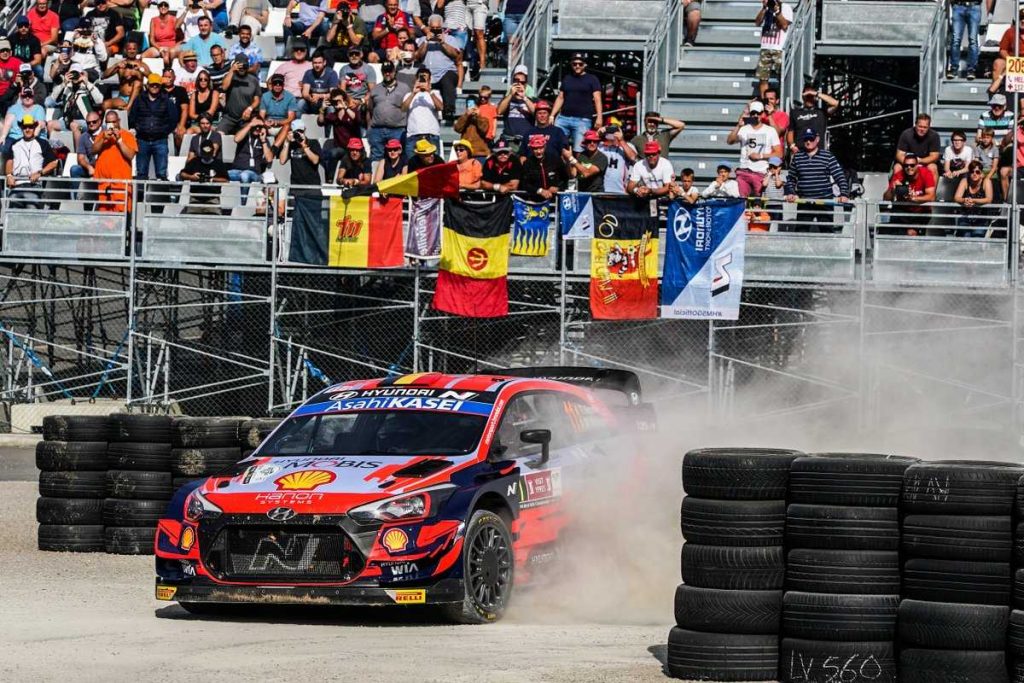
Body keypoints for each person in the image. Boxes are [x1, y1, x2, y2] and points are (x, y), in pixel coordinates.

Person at [783, 128, 849, 232]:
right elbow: (791, 178)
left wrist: (844, 193)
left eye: (811, 139)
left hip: (825, 202)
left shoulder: (827, 156)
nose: (808, 142)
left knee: (826, 232)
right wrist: (790, 192)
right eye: (806, 139)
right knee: (801, 232)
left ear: (817, 139)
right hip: (804, 201)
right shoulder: (797, 157)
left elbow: (839, 176)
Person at [128, 72, 179, 180]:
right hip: (142, 140)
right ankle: (141, 191)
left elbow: (174, 119)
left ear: (160, 86)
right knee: (141, 173)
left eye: (157, 85)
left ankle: (161, 191)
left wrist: (164, 131)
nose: (154, 87)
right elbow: (132, 116)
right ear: (147, 85)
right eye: (152, 84)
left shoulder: (167, 101)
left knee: (161, 173)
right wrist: (137, 129)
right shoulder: (139, 99)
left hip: (160, 141)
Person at [726, 100, 782, 197]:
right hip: (744, 171)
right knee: (742, 201)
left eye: (758, 113)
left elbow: (779, 153)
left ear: (762, 113)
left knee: (758, 202)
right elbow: (730, 141)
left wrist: (760, 156)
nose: (756, 115)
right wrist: (738, 126)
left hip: (761, 172)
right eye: (753, 113)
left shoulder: (770, 130)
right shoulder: (744, 129)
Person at [414, 14, 460, 122]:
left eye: (437, 28)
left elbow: (455, 55)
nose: (435, 30)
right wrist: (426, 41)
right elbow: (418, 56)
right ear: (428, 27)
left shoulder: (450, 39)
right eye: (432, 28)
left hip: (445, 72)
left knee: (448, 79)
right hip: (428, 73)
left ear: (442, 27)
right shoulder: (422, 40)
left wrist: (443, 43)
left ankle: (449, 110)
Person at [5, 114, 57, 208]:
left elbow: (54, 162)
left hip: (34, 185)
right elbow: (9, 161)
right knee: (12, 210)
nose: (27, 129)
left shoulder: (43, 143)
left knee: (32, 209)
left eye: (30, 127)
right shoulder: (15, 144)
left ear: (34, 127)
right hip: (16, 185)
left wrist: (40, 173)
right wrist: (9, 175)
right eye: (25, 127)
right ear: (21, 128)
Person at [552, 53, 602, 151]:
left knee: (579, 149)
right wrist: (552, 115)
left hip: (582, 120)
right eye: (574, 64)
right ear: (571, 64)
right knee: (556, 146)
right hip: (563, 118)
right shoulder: (567, 78)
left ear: (585, 65)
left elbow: (597, 99)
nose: (577, 66)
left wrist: (599, 117)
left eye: (580, 64)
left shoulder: (592, 79)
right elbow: (560, 97)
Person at [92, 108, 137, 212]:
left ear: (119, 121)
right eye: (108, 122)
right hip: (104, 183)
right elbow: (93, 150)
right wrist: (103, 139)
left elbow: (130, 155)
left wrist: (119, 140)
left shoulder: (127, 135)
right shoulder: (102, 135)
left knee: (120, 212)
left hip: (121, 183)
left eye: (113, 122)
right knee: (104, 213)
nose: (111, 125)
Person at [882, 152, 936, 236]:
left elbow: (931, 197)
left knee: (911, 233)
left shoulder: (926, 173)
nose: (909, 167)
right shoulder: (899, 175)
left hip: (921, 212)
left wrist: (913, 198)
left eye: (912, 165)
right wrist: (892, 190)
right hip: (902, 211)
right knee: (884, 231)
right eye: (906, 165)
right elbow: (886, 198)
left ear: (917, 165)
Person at [47, 64, 101, 144]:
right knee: (50, 124)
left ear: (81, 74)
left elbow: (99, 100)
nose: (75, 76)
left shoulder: (87, 87)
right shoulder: (66, 88)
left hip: (85, 122)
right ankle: (54, 148)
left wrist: (87, 82)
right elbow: (53, 99)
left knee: (74, 125)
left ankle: (79, 151)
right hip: (67, 121)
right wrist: (64, 83)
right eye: (72, 73)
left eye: (77, 73)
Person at [366, 60, 409, 161]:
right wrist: (369, 127)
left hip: (397, 129)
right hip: (377, 130)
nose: (387, 73)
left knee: (397, 158)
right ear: (382, 72)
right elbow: (370, 109)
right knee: (376, 157)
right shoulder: (375, 89)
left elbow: (409, 108)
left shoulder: (405, 88)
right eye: (385, 71)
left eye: (390, 71)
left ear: (394, 72)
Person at [229, 116, 274, 201]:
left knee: (245, 175)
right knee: (224, 175)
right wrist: (250, 125)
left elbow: (269, 159)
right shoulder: (245, 135)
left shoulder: (264, 140)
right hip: (237, 170)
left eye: (259, 126)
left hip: (254, 173)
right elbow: (236, 139)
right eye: (255, 126)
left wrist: (263, 141)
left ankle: (243, 204)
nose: (257, 128)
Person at [786, 83, 839, 154]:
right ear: (803, 97)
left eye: (811, 96)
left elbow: (835, 103)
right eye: (807, 96)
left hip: (818, 151)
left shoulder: (821, 112)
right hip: (800, 151)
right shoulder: (795, 113)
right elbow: (790, 131)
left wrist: (816, 93)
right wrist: (792, 146)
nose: (809, 98)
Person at [319, 87, 361, 176]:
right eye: (334, 101)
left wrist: (345, 107)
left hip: (355, 148)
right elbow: (320, 122)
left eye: (339, 101)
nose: (337, 104)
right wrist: (322, 109)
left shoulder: (352, 111)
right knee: (326, 154)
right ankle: (329, 178)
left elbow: (357, 120)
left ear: (344, 100)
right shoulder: (333, 116)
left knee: (334, 152)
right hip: (341, 148)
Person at [402, 66, 442, 158]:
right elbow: (403, 108)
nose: (423, 81)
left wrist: (429, 91)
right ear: (416, 79)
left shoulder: (435, 93)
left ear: (429, 80)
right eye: (421, 78)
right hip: (413, 135)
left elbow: (440, 107)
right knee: (412, 163)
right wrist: (414, 93)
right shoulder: (409, 94)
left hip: (431, 135)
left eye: (425, 79)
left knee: (434, 164)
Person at [755, 0, 792, 98]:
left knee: (782, 77)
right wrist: (764, 9)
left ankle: (780, 99)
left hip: (779, 48)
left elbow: (784, 25)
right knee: (763, 78)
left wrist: (777, 11)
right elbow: (757, 22)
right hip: (765, 46)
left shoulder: (786, 7)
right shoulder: (766, 8)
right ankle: (764, 101)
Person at [181, 139, 230, 213]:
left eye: (208, 154)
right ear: (201, 152)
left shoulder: (218, 164)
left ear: (213, 152)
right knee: (191, 217)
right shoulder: (194, 161)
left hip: (212, 199)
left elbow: (226, 180)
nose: (206, 157)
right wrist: (192, 177)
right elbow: (182, 174)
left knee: (215, 218)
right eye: (204, 154)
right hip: (195, 199)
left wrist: (211, 179)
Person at [279, 118, 323, 196]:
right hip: (296, 187)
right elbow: (282, 161)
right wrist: (286, 142)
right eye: (296, 132)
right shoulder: (291, 145)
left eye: (301, 131)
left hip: (312, 186)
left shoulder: (313, 143)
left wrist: (304, 145)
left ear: (305, 130)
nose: (299, 133)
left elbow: (315, 161)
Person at [218, 55, 261, 134]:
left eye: (244, 66)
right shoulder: (230, 76)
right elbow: (224, 87)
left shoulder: (254, 80)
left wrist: (250, 108)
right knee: (218, 134)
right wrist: (232, 70)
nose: (242, 68)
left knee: (247, 134)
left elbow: (257, 100)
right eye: (239, 66)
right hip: (229, 117)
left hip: (246, 118)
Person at [102, 39, 148, 111]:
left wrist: (141, 70)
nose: (132, 51)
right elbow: (103, 76)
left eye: (134, 49)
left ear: (137, 51)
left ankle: (128, 107)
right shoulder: (121, 65)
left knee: (137, 82)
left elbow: (152, 77)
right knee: (105, 104)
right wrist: (116, 65)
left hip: (137, 99)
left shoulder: (142, 65)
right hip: (123, 98)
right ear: (125, 50)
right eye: (129, 49)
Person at [952, 159, 994, 237]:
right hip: (966, 216)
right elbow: (956, 197)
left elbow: (989, 199)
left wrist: (973, 200)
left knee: (977, 236)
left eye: (977, 172)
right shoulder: (965, 181)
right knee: (966, 236)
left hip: (981, 217)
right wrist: (964, 200)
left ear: (981, 173)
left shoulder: (986, 181)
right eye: (972, 171)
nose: (974, 174)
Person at [895, 113, 941, 180]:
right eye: (920, 126)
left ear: (929, 127)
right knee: (897, 167)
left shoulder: (934, 136)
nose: (922, 129)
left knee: (933, 167)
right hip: (908, 162)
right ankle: (899, 187)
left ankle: (930, 187)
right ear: (915, 125)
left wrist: (920, 161)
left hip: (926, 163)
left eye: (925, 127)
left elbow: (934, 156)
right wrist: (911, 163)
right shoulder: (906, 134)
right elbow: (899, 155)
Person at [990, 7, 1024, 95]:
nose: (1023, 21)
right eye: (1021, 18)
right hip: (1012, 60)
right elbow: (1003, 50)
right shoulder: (1010, 32)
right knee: (998, 63)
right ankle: (998, 92)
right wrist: (1011, 60)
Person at [498, 64, 535, 142]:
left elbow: (535, 112)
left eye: (522, 82)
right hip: (509, 139)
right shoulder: (508, 98)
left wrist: (524, 97)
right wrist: (511, 95)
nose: (519, 84)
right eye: (516, 81)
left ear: (526, 83)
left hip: (526, 140)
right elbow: (499, 111)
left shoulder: (531, 99)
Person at [260, 73, 298, 145]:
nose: (277, 85)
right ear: (272, 85)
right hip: (268, 125)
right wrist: (265, 123)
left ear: (283, 85)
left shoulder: (290, 97)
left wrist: (276, 122)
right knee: (257, 123)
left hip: (283, 125)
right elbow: (261, 115)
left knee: (288, 125)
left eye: (280, 83)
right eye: (275, 83)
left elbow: (291, 118)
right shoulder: (265, 96)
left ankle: (275, 148)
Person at [948, 0, 981, 80]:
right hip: (958, 6)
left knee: (973, 40)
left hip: (974, 6)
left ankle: (971, 69)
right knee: (956, 39)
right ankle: (954, 68)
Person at [597, 123, 635, 193]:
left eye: (615, 131)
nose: (612, 134)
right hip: (601, 189)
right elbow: (584, 148)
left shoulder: (626, 145)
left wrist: (621, 140)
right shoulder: (600, 145)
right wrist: (597, 135)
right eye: (610, 131)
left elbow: (633, 157)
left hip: (620, 190)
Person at [70, 112, 102, 194]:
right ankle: (76, 198)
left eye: (94, 122)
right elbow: (80, 158)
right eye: (88, 123)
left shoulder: (106, 133)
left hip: (105, 167)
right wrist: (89, 167)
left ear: (99, 121)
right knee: (75, 169)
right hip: (92, 167)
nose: (91, 124)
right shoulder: (84, 136)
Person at [301, 50, 341, 114]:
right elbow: (305, 93)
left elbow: (333, 93)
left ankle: (330, 120)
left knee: (331, 107)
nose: (317, 65)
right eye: (315, 63)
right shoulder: (308, 73)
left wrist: (319, 96)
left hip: (327, 101)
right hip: (312, 101)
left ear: (324, 62)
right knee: (301, 103)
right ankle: (298, 120)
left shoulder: (332, 73)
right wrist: (311, 99)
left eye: (319, 63)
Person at [160, 68, 190, 149]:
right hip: (161, 122)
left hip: (177, 122)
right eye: (165, 77)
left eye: (169, 77)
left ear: (174, 78)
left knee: (181, 133)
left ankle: (178, 152)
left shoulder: (181, 90)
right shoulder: (158, 90)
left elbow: (184, 110)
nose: (167, 79)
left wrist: (181, 125)